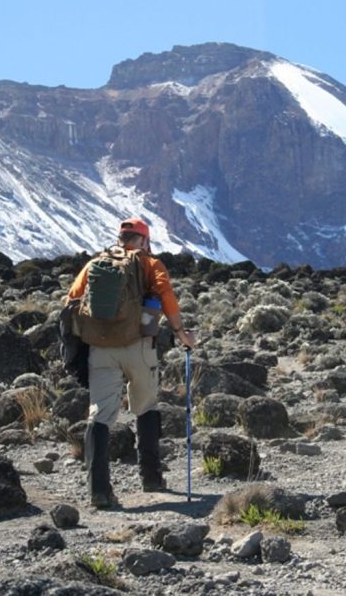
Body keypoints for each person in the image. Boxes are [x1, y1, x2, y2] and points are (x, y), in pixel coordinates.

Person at [66, 218, 195, 508]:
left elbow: (72, 300)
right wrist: (180, 332)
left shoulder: (96, 264)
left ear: (120, 238)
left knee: (99, 415)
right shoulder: (150, 264)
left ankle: (98, 490)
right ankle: (151, 477)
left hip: (100, 349)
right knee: (146, 406)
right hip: (139, 346)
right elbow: (166, 297)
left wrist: (79, 345)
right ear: (144, 240)